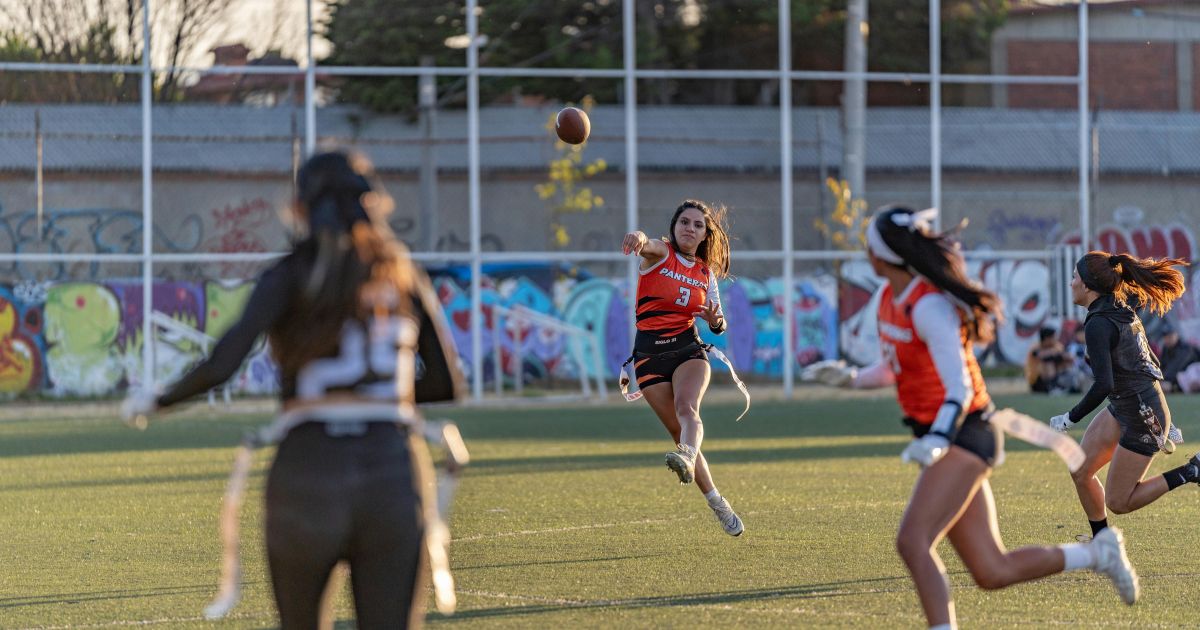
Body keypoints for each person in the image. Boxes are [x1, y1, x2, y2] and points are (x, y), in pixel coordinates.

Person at [122, 151, 464, 629]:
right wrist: (373, 400)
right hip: (390, 473)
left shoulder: (290, 273)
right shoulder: (401, 272)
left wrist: (157, 400)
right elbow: (446, 382)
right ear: (371, 202)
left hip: (307, 472)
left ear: (300, 206)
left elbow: (222, 365)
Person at [804, 206, 1139, 629]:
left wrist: (938, 438)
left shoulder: (928, 306)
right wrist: (851, 378)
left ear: (881, 255)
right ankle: (1097, 553)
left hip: (965, 433)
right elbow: (894, 367)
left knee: (912, 542)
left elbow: (960, 389)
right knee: (991, 569)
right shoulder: (889, 300)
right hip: (946, 436)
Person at [1050, 251, 1199, 541]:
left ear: (1088, 286)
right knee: (1081, 470)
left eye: (1074, 277)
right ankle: (1102, 543)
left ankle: (1190, 471)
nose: (1071, 283)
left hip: (1140, 414)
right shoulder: (1117, 309)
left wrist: (1071, 417)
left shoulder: (1099, 323)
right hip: (1131, 406)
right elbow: (1147, 363)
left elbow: (1103, 384)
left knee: (1119, 502)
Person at [619, 199, 743, 536]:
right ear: (674, 227)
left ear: (705, 235)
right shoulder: (661, 254)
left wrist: (715, 321)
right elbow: (645, 243)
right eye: (684, 222)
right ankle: (717, 501)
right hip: (648, 357)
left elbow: (719, 324)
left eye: (698, 225)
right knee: (678, 431)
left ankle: (687, 457)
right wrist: (637, 236)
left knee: (687, 409)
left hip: (687, 350)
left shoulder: (705, 273)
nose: (690, 228)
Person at [1025, 326, 1075, 393]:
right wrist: (1053, 353)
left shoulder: (1056, 346)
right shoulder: (1035, 347)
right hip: (1036, 381)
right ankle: (1052, 387)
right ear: (1047, 338)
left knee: (1065, 362)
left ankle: (1063, 385)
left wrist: (1061, 355)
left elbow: (1069, 357)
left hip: (1053, 377)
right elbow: (1041, 355)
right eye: (1053, 337)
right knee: (1047, 362)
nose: (1055, 339)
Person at [1158, 323, 1198, 393]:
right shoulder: (1166, 348)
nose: (1167, 339)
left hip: (1193, 375)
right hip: (1178, 379)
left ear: (1177, 335)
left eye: (1170, 336)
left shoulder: (1185, 348)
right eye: (1165, 337)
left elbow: (1176, 366)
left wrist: (1164, 379)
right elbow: (1162, 365)